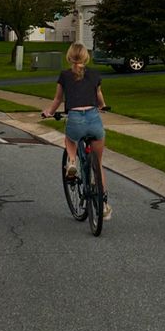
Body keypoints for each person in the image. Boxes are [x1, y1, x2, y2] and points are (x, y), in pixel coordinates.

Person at [41, 42, 111, 220]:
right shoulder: (94, 74)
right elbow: (99, 95)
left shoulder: (64, 75)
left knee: (70, 140)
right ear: (86, 57)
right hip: (94, 119)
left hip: (75, 118)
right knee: (99, 163)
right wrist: (102, 106)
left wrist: (49, 112)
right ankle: (102, 205)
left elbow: (58, 99)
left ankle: (72, 162)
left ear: (69, 57)